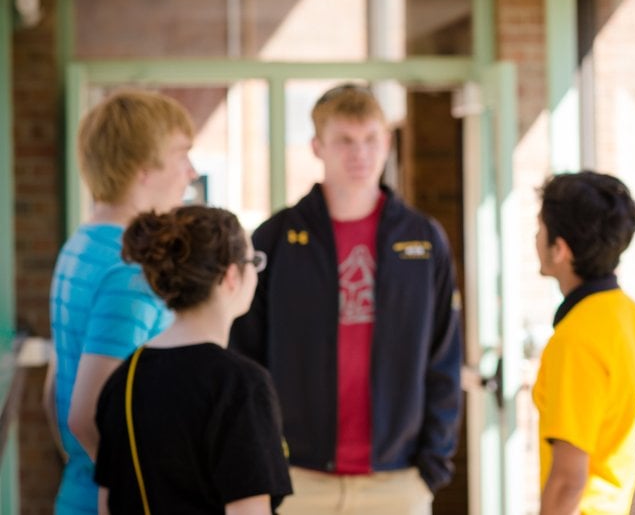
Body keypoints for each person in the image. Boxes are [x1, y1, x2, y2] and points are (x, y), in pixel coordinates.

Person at [230, 83, 463, 514]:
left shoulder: (423, 239)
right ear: (318, 146)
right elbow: (246, 357)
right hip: (299, 478)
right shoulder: (276, 238)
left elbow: (443, 356)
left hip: (398, 480)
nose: (360, 154)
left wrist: (431, 466)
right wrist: (265, 462)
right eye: (344, 141)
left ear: (387, 143)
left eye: (371, 139)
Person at [48, 90, 197, 514]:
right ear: (143, 167)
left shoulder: (79, 245)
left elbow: (53, 389)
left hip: (79, 491)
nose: (191, 172)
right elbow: (84, 415)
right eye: (181, 154)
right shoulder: (133, 270)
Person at [94, 205, 293, 514]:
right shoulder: (241, 385)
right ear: (231, 275)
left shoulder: (125, 378)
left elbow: (108, 503)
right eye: (253, 262)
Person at [531, 171, 635, 515]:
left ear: (560, 249)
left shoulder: (574, 340)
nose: (535, 237)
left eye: (540, 228)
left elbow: (569, 479)